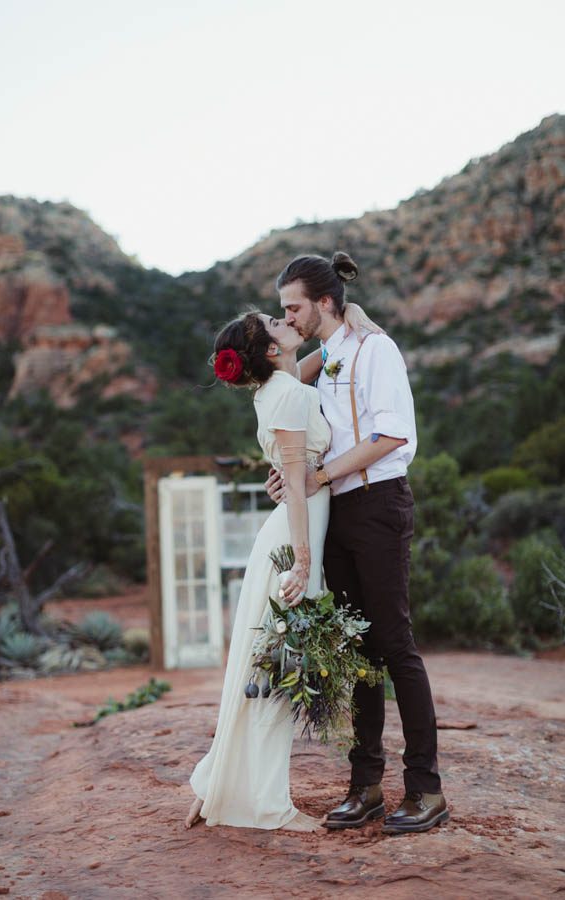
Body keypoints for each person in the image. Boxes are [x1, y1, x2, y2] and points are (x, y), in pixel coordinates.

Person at [266, 251, 449, 835]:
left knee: (396, 645)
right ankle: (365, 785)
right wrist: (293, 470)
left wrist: (317, 475)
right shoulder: (330, 356)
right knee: (358, 650)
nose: (288, 317)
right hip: (337, 509)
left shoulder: (376, 349)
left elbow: (390, 433)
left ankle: (426, 789)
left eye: (293, 307)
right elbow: (297, 412)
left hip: (378, 502)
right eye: (282, 310)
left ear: (324, 301)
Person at [185, 309, 331, 832]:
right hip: (295, 538)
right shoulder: (287, 393)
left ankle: (214, 784)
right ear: (271, 350)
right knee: (278, 673)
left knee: (264, 668)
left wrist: (349, 328)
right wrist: (304, 560)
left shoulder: (276, 388)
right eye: (275, 321)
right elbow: (294, 484)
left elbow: (318, 363)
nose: (287, 319)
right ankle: (267, 805)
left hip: (289, 530)